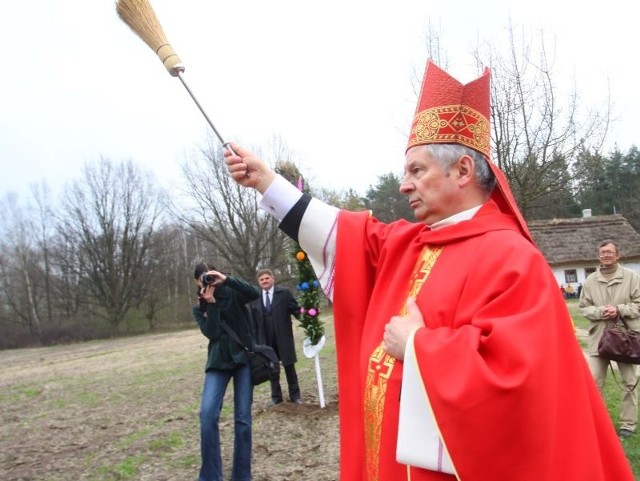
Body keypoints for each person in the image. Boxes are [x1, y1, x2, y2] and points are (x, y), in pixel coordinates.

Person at [224, 60, 633, 480]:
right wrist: (268, 183)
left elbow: (518, 383)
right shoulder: (409, 242)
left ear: (462, 171)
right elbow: (342, 234)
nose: (403, 185)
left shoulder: (514, 259)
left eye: (416, 170)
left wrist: (419, 346)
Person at [191, 262, 260, 481]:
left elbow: (255, 293)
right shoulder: (199, 307)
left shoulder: (233, 291)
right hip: (218, 363)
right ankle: (210, 477)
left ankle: (241, 477)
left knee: (243, 419)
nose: (207, 280)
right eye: (202, 277)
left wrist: (227, 279)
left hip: (242, 360)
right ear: (197, 281)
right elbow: (211, 333)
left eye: (209, 275)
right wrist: (210, 305)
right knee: (207, 414)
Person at [579, 240, 640, 439]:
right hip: (599, 338)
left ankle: (628, 425)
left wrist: (619, 309)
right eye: (603, 252)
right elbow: (584, 308)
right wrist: (600, 311)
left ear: (618, 255)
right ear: (598, 256)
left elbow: (638, 304)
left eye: (610, 252)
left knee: (629, 382)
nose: (606, 255)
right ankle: (597, 424)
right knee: (594, 383)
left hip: (626, 338)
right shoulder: (590, 281)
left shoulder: (631, 277)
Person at [248, 268, 302, 405]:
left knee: (289, 367)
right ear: (259, 282)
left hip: (283, 337)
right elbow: (252, 322)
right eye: (262, 279)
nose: (265, 281)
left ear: (273, 279)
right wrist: (254, 342)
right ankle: (276, 398)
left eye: (267, 278)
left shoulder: (284, 293)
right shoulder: (254, 297)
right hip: (265, 340)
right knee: (271, 368)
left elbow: (296, 310)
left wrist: (307, 317)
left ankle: (295, 396)